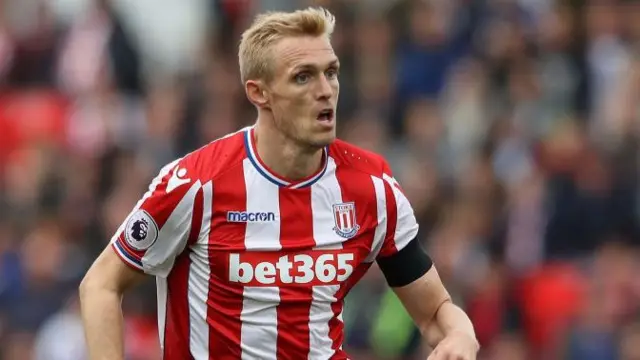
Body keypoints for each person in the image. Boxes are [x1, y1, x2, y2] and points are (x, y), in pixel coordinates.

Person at [79, 7, 479, 360]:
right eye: (303, 77)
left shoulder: (372, 187)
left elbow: (433, 311)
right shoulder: (197, 183)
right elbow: (101, 284)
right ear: (259, 93)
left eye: (331, 72)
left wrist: (461, 334)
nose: (325, 90)